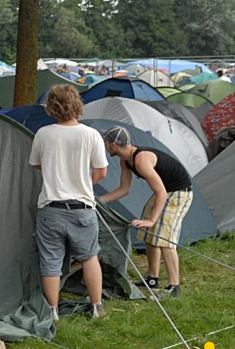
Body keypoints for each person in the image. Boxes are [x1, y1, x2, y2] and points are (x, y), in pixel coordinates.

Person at [29, 85, 108, 320]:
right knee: (89, 257)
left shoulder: (43, 133)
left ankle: (52, 310)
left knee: (51, 261)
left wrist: (56, 171)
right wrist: (84, 184)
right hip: (82, 208)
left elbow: (36, 164)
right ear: (77, 105)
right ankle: (96, 307)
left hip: (50, 209)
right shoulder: (90, 134)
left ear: (51, 106)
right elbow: (101, 171)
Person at [100, 126, 193, 298]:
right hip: (165, 191)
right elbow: (124, 189)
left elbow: (162, 193)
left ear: (113, 144)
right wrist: (98, 201)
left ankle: (174, 287)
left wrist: (151, 220)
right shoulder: (125, 160)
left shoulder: (141, 159)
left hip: (179, 192)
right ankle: (152, 278)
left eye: (105, 141)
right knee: (149, 236)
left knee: (165, 238)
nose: (104, 145)